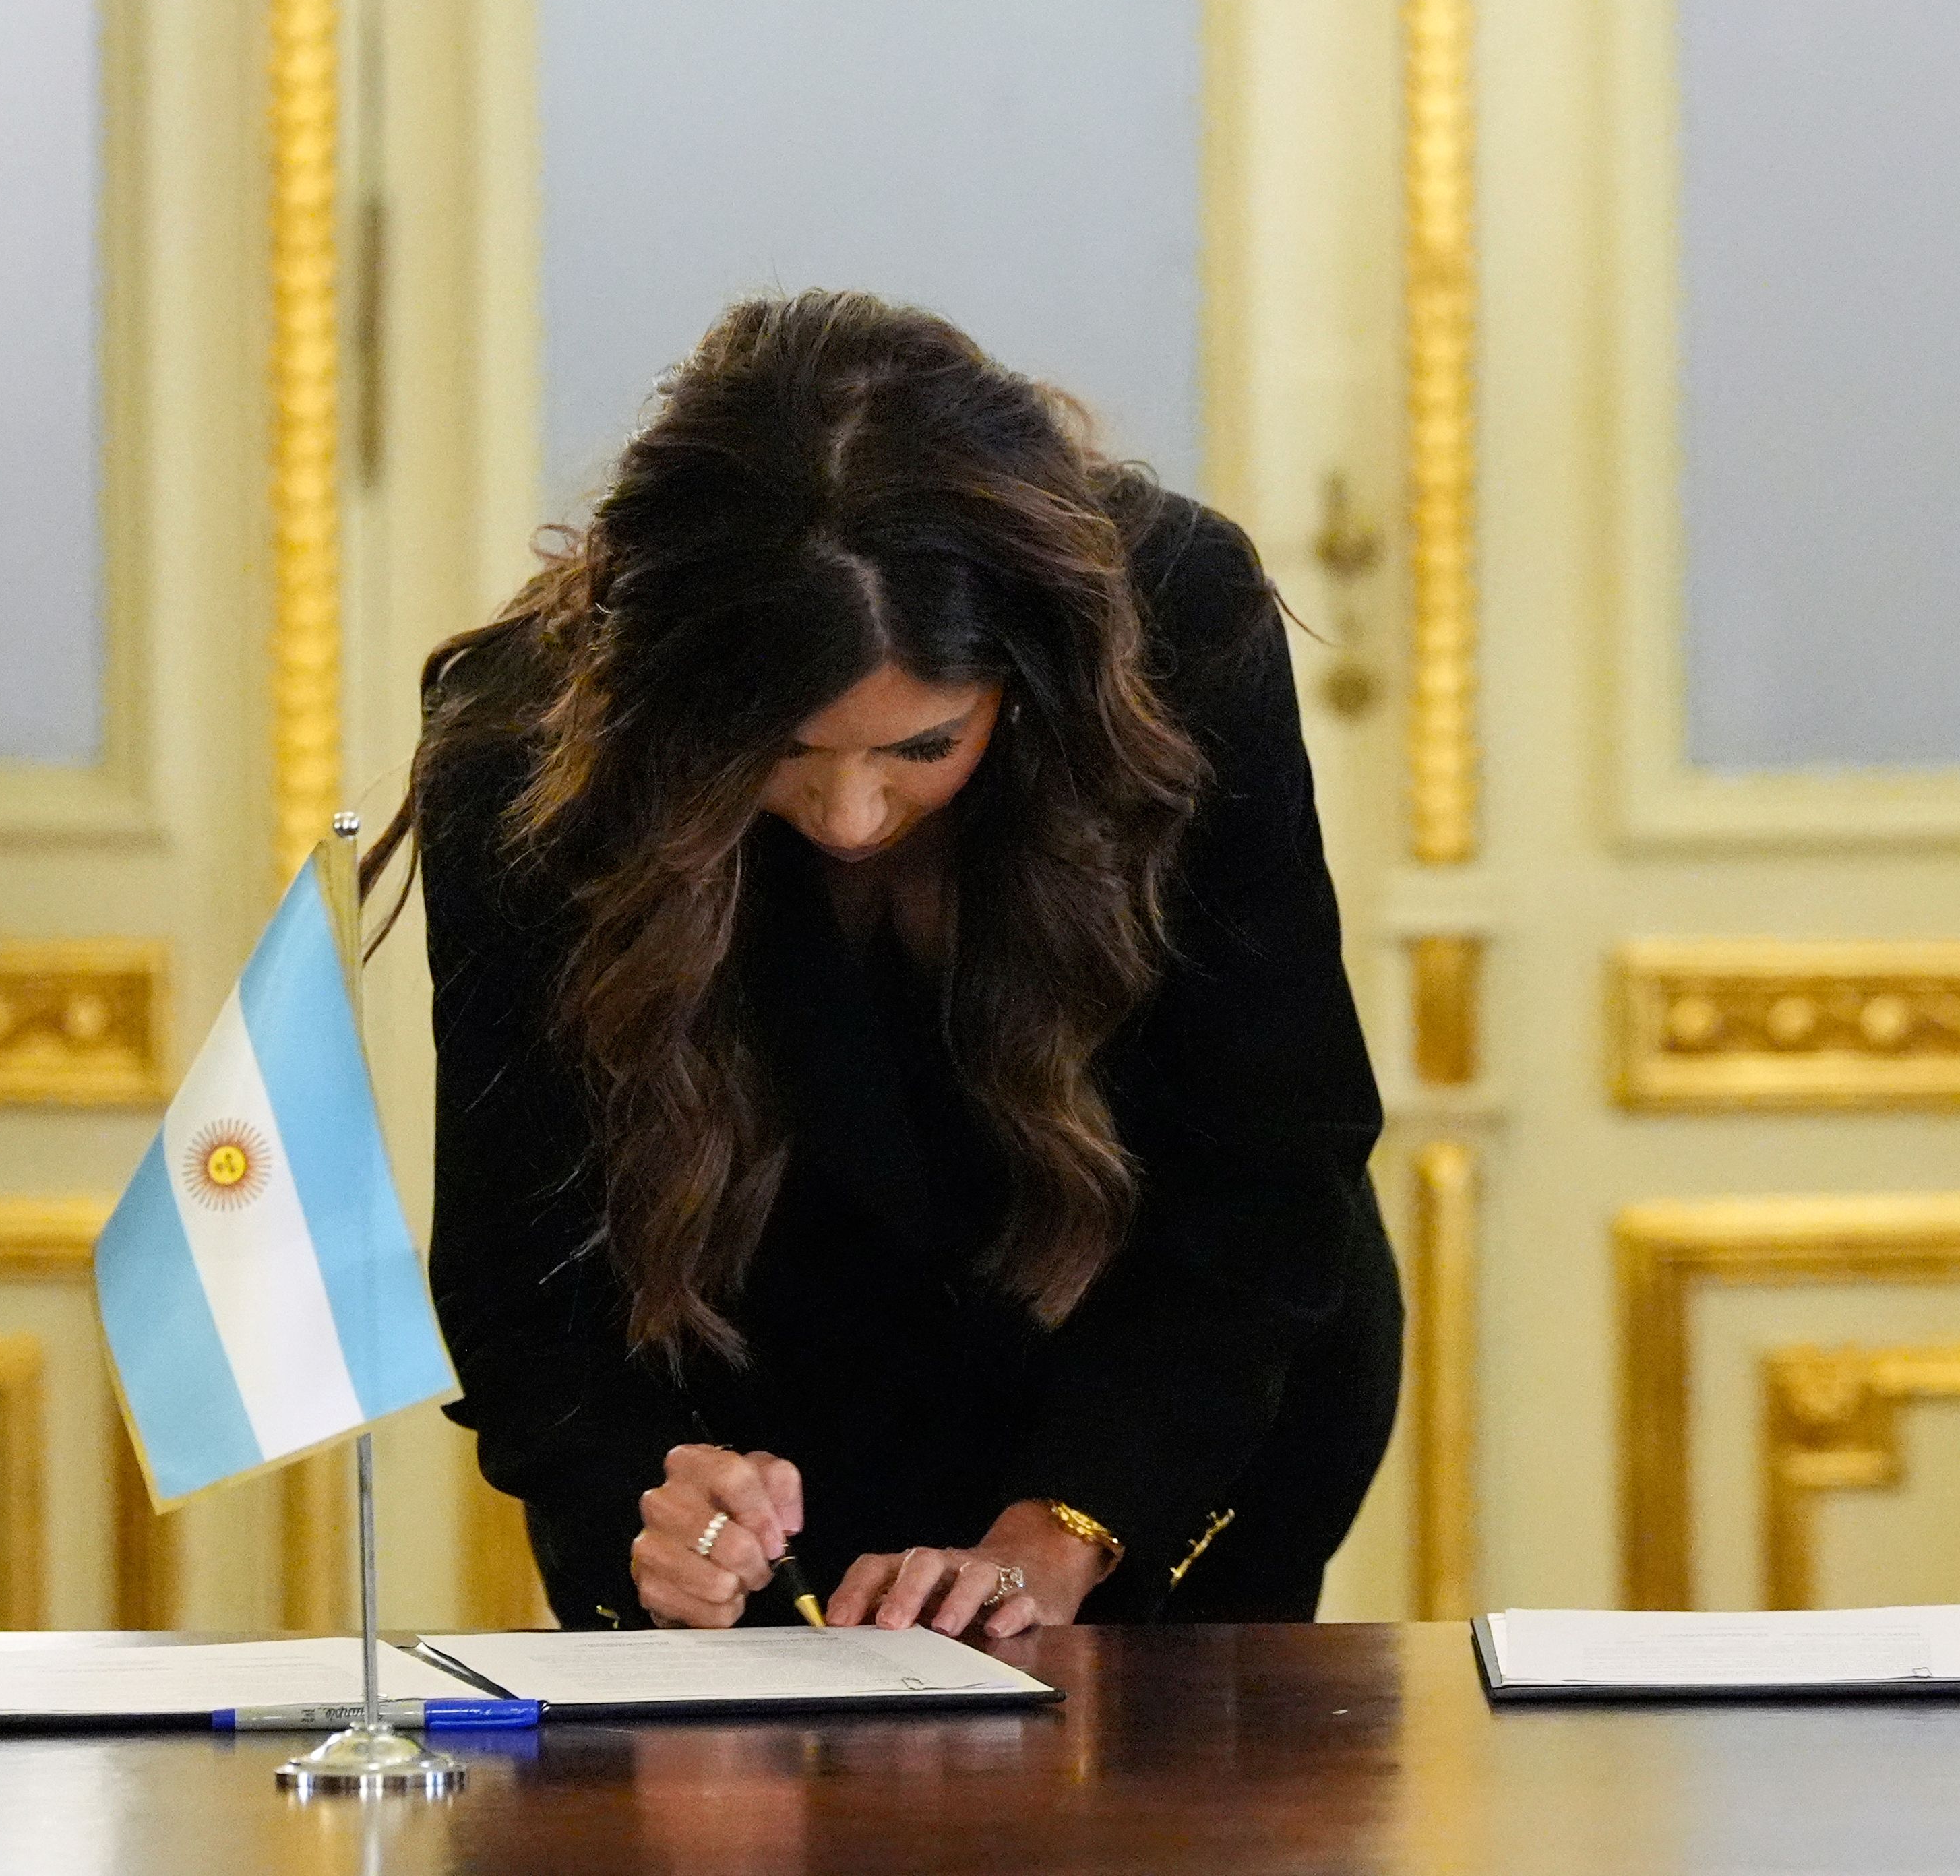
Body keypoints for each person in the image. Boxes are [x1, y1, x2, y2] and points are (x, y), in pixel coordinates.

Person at [392, 291, 1401, 1635]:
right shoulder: (522, 753)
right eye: (786, 755)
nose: (853, 819)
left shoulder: (1172, 634)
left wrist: (1068, 1528)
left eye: (923, 748)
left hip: (1162, 1393)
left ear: (1025, 678)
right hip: (765, 1428)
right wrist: (647, 1493)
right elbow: (524, 1267)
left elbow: (1273, 1155)